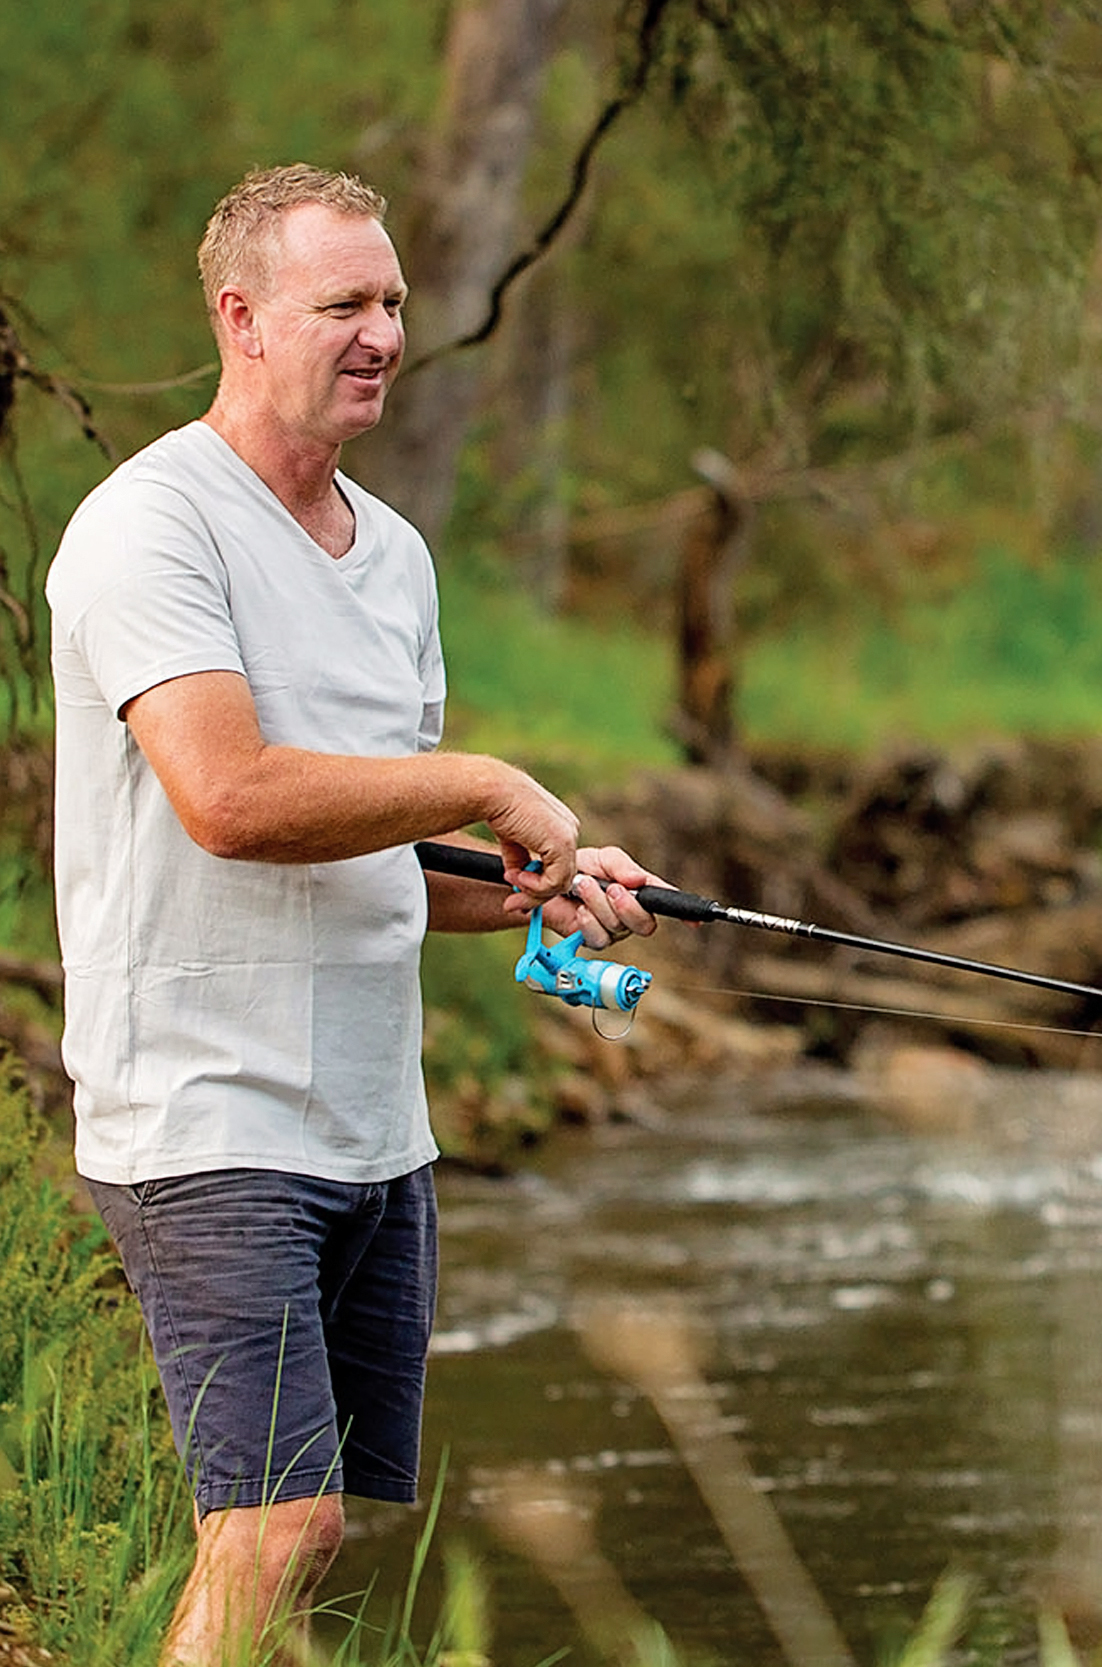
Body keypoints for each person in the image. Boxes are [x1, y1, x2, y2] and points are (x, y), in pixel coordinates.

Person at [46, 164, 665, 1665]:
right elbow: (232, 797)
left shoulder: (395, 557)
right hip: (203, 1103)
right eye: (347, 304)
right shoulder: (151, 526)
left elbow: (381, 841)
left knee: (309, 1533)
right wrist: (489, 778)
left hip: (373, 1118)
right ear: (241, 318)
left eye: (393, 300)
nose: (384, 331)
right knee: (274, 1524)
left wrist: (533, 883)